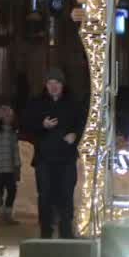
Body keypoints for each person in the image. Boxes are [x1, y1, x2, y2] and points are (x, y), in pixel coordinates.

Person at [21, 67, 85, 238]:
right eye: (50, 83)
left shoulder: (73, 104)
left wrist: (75, 135)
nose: (53, 86)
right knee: (45, 196)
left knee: (66, 195)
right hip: (45, 159)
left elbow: (83, 123)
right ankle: (46, 232)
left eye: (57, 83)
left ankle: (66, 232)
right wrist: (42, 125)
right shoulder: (37, 104)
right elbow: (26, 126)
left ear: (62, 85)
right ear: (46, 85)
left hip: (66, 158)